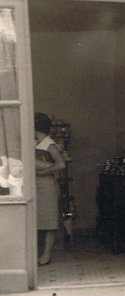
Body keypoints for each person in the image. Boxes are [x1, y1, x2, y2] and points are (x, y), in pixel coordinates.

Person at [35, 112, 65, 265]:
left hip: (47, 185)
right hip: (36, 184)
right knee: (37, 219)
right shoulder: (36, 143)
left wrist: (42, 172)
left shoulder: (49, 144)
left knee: (49, 220)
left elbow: (61, 164)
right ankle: (39, 254)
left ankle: (46, 255)